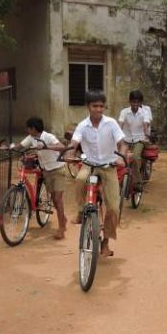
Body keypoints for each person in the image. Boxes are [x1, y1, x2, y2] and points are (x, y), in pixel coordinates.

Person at [68, 89, 127, 257]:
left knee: (114, 208)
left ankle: (106, 242)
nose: (99, 109)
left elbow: (122, 142)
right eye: (95, 106)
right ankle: (81, 210)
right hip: (90, 164)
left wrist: (121, 157)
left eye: (102, 106)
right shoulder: (82, 125)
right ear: (88, 106)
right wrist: (70, 155)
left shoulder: (111, 123)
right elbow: (74, 142)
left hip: (109, 166)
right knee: (79, 179)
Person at [12, 117, 68, 239]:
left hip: (58, 170)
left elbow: (62, 146)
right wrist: (9, 147)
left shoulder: (48, 137)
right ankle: (62, 218)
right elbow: (20, 146)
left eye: (29, 128)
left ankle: (61, 228)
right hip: (46, 171)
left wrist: (46, 147)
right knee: (53, 198)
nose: (27, 130)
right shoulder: (31, 138)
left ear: (33, 128)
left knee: (58, 199)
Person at [118, 89, 152, 190]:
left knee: (136, 158)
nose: (135, 104)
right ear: (130, 101)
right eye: (133, 101)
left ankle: (138, 182)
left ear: (141, 102)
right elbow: (120, 125)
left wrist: (146, 136)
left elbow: (146, 125)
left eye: (138, 102)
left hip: (139, 140)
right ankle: (119, 180)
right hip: (125, 139)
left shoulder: (144, 112)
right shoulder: (124, 112)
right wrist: (117, 137)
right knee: (120, 158)